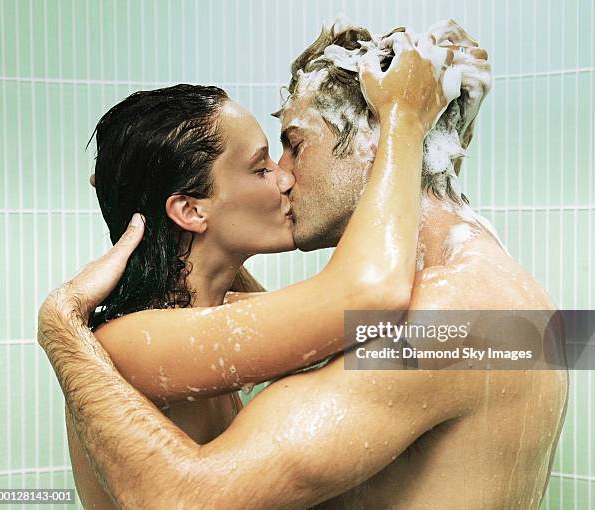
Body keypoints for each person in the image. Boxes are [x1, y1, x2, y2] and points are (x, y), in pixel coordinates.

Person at [39, 20, 567, 510]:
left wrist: (401, 118)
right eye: (265, 163)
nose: (284, 176)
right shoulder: (507, 299)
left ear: (372, 146)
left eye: (292, 145)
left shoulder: (445, 315)